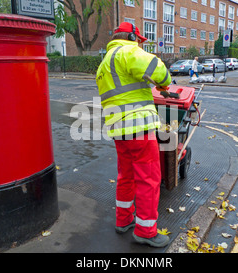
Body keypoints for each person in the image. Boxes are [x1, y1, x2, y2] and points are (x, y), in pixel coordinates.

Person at [95, 22, 171, 248]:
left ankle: (123, 219)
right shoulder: (127, 51)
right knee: (148, 179)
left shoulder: (104, 64)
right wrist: (165, 83)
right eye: (138, 40)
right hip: (139, 127)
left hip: (119, 131)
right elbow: (158, 70)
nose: (139, 44)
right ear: (131, 36)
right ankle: (146, 231)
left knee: (125, 175)